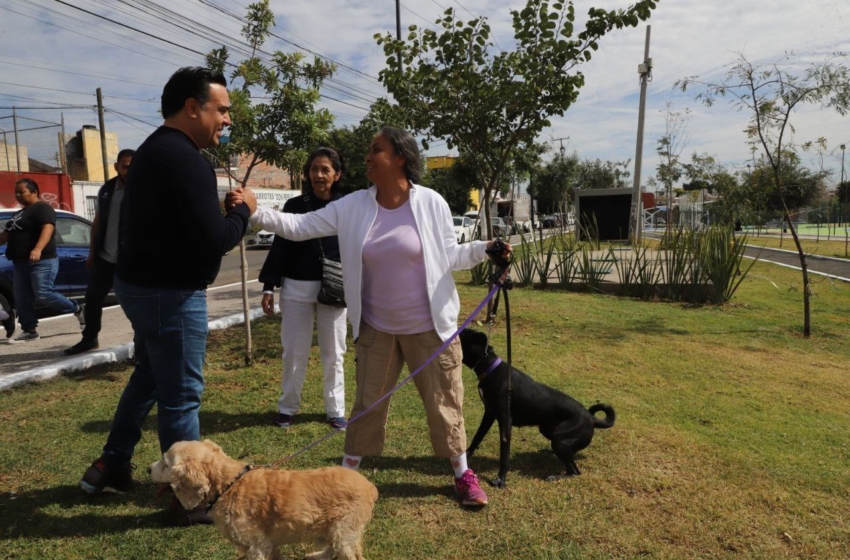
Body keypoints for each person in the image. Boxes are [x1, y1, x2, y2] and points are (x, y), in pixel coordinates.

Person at [228, 127, 512, 508]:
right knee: (366, 405)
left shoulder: (431, 203)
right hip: (377, 328)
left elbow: (451, 255)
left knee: (445, 403)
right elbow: (300, 227)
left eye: (375, 149)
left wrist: (486, 249)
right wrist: (254, 210)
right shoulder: (354, 206)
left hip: (430, 327)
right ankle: (347, 476)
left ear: (399, 157)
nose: (367, 156)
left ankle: (462, 474)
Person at [79, 67, 257, 526]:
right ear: (192, 107)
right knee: (181, 396)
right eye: (222, 110)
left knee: (151, 379)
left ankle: (113, 463)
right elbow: (212, 238)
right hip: (171, 295)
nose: (227, 120)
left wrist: (221, 214)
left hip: (144, 290)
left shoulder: (156, 152)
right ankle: (187, 498)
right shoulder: (185, 159)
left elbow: (180, 227)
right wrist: (245, 213)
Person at [258, 147, 348, 431]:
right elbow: (280, 246)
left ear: (337, 174)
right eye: (314, 169)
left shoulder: (347, 206)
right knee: (293, 352)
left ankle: (336, 410)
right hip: (296, 288)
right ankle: (287, 408)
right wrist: (268, 286)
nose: (318, 175)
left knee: (334, 353)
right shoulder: (295, 205)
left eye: (325, 170)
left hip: (334, 288)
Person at [64, 149, 135, 355]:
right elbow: (98, 221)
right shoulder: (107, 189)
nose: (129, 171)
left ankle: (142, 343)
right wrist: (92, 252)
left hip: (129, 259)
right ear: (116, 166)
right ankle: (89, 339)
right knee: (93, 299)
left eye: (133, 167)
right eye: (125, 167)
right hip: (105, 256)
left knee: (133, 302)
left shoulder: (143, 189)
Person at [0, 178, 85, 342]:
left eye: (21, 191)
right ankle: (29, 330)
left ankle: (77, 308)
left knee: (43, 293)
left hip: (41, 261)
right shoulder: (19, 213)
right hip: (20, 262)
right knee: (22, 297)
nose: (17, 195)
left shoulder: (42, 208)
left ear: (34, 192)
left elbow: (48, 228)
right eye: (16, 192)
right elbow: (6, 235)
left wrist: (37, 249)